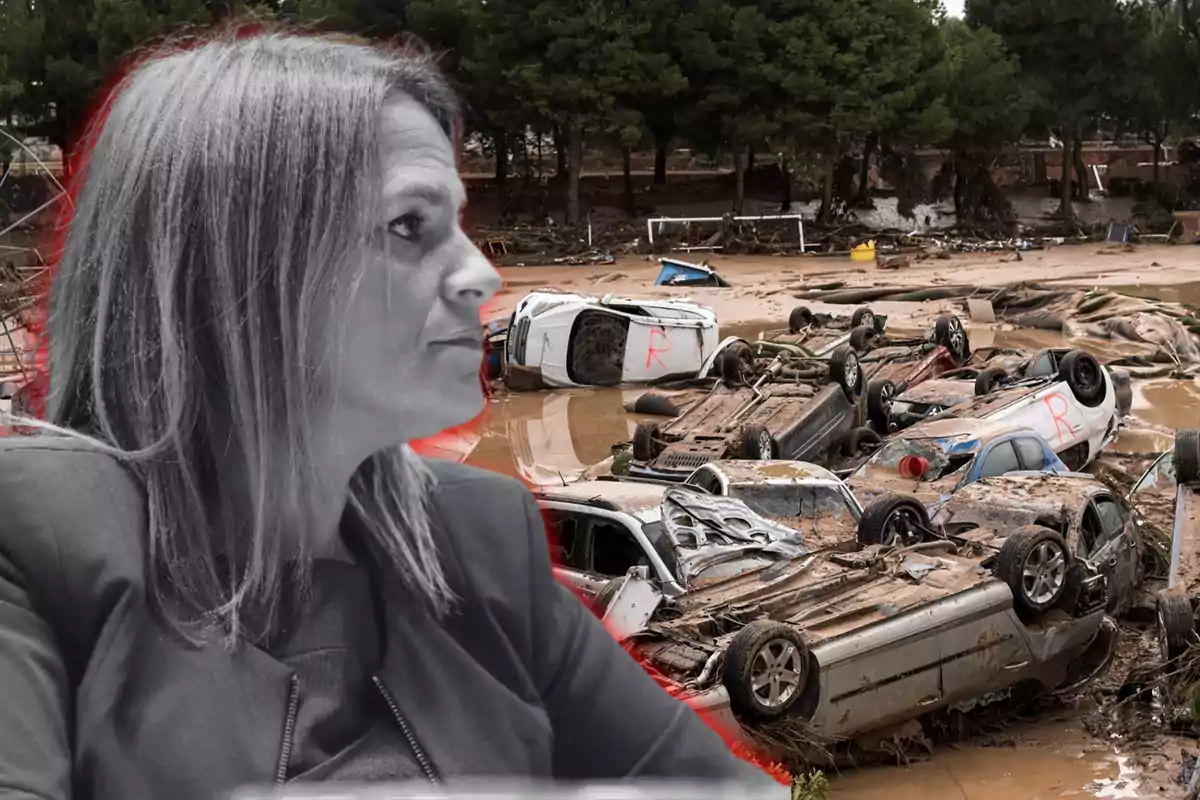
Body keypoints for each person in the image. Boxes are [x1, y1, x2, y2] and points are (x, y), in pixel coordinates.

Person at [0, 25, 776, 800]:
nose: (479, 273)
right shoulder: (31, 548)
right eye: (411, 226)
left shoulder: (474, 539)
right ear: (230, 266)